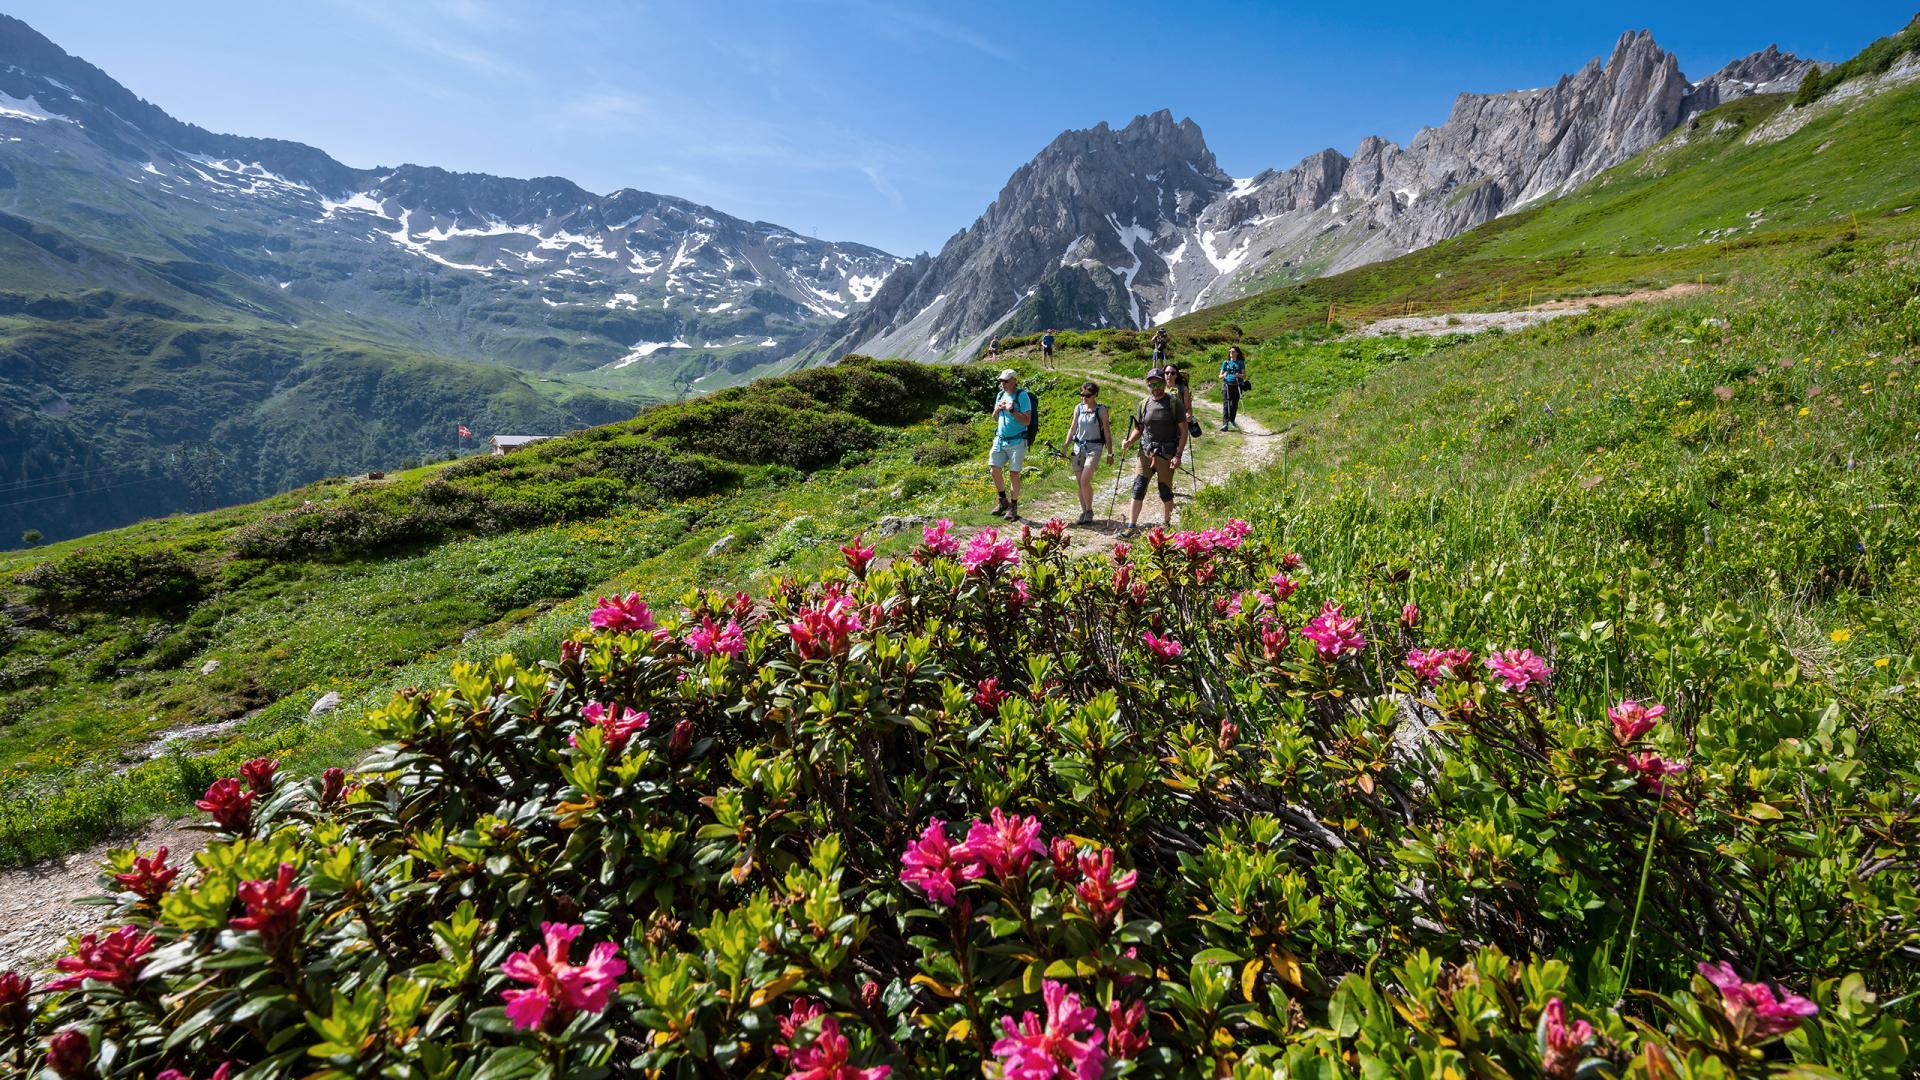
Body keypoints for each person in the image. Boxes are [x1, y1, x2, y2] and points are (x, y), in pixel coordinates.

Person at [1119, 367, 1188, 536]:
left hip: (1166, 454)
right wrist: (1129, 441)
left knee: (1165, 491)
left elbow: (1184, 431)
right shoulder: (1143, 404)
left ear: (1164, 383)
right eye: (1151, 385)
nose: (1155, 388)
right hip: (1146, 453)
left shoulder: (1174, 403)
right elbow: (1140, 428)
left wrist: (1178, 455)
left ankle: (1167, 524)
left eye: (1158, 383)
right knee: (1138, 487)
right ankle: (1131, 526)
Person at [1062, 380, 1114, 525]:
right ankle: (1084, 511)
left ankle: (1089, 510)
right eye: (1082, 395)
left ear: (1095, 394)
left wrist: (1110, 453)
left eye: (1088, 395)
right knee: (1080, 482)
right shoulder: (1078, 408)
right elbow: (1072, 428)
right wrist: (1065, 446)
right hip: (1078, 447)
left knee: (1085, 480)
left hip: (1095, 447)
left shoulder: (1101, 410)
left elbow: (1107, 432)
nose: (1084, 398)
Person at [988, 368, 1034, 521]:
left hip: (1017, 441)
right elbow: (995, 417)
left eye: (1006, 381)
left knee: (1014, 474)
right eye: (1001, 381)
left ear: (1014, 380)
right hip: (1000, 439)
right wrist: (997, 409)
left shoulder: (1023, 396)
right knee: (994, 470)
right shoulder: (1000, 395)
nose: (1003, 384)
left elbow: (1027, 420)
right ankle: (1002, 501)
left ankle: (1013, 507)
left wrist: (1012, 409)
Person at [1219, 345, 1248, 431]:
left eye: (1233, 351)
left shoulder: (1240, 363)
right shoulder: (1226, 363)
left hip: (1237, 385)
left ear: (1237, 353)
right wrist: (1224, 375)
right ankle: (1225, 424)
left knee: (1233, 404)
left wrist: (1238, 375)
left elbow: (1244, 376)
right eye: (1230, 351)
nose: (1231, 352)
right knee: (1226, 404)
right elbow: (1220, 376)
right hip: (1226, 385)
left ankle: (1232, 420)